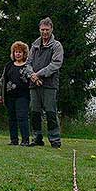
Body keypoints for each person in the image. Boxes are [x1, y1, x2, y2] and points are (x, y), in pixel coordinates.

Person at [26, 17, 64, 148]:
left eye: (47, 30)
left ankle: (55, 139)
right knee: (35, 112)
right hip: (33, 84)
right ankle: (37, 138)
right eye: (42, 29)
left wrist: (39, 74)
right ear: (39, 30)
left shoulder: (56, 46)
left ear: (51, 29)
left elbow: (56, 64)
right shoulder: (34, 45)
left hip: (49, 84)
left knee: (50, 112)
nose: (45, 32)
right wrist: (33, 76)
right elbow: (28, 63)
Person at [0, 41, 31, 146]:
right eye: (16, 52)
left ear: (24, 53)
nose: (18, 54)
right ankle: (13, 140)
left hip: (23, 96)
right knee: (12, 118)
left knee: (22, 117)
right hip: (9, 96)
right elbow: (2, 81)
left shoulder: (28, 66)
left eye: (20, 52)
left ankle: (25, 140)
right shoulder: (8, 65)